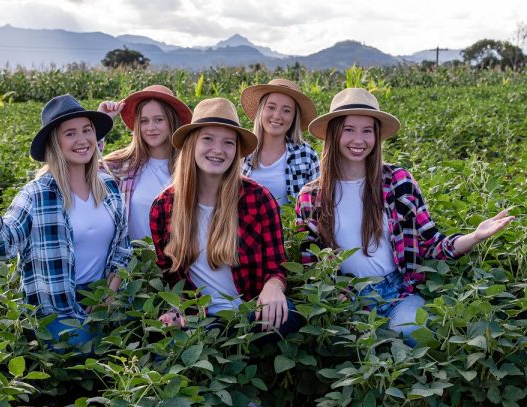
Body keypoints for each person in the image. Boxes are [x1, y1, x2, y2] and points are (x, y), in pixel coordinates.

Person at [295, 88, 514, 345]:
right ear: (333, 133)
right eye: (349, 129)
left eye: (368, 130)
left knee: (418, 334)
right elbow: (311, 264)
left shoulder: (397, 181)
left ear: (376, 136)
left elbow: (431, 242)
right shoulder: (312, 196)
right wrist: (336, 296)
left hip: (398, 292)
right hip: (348, 297)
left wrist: (475, 237)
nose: (359, 139)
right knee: (351, 350)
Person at [0, 94, 133, 349]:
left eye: (87, 130)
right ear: (55, 144)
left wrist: (109, 294)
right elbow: (1, 245)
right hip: (57, 308)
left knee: (137, 339)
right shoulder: (37, 193)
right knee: (85, 352)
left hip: (103, 296)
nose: (82, 140)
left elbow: (122, 248)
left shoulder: (108, 187)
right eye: (70, 134)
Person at [150, 97, 301, 336]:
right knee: (160, 337)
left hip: (250, 314)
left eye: (228, 142)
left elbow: (276, 266)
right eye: (208, 139)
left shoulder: (258, 199)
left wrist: (274, 286)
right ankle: (214, 338)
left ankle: (221, 338)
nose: (218, 150)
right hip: (199, 318)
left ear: (237, 151)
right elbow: (170, 275)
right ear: (191, 144)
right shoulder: (164, 207)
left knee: (288, 315)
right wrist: (176, 311)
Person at [98, 85, 192, 241]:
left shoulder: (189, 165)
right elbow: (83, 172)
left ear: (172, 121)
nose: (151, 128)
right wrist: (101, 123)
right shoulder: (122, 165)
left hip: (180, 261)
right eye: (144, 121)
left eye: (159, 120)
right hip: (135, 262)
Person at [240, 78, 319, 205]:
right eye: (271, 107)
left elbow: (316, 206)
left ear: (294, 117)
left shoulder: (307, 155)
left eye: (286, 110)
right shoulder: (242, 150)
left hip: (292, 225)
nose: (277, 115)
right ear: (261, 111)